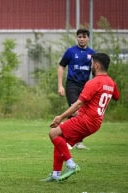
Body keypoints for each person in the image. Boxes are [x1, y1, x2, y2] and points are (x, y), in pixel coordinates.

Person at [43, 53, 120, 182]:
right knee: (60, 140)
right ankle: (56, 174)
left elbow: (79, 103)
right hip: (95, 123)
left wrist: (60, 117)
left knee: (53, 133)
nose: (91, 66)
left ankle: (71, 165)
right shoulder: (111, 82)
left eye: (91, 64)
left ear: (96, 65)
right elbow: (116, 97)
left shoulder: (94, 82)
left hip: (86, 120)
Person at [58, 28, 96, 150]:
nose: (82, 39)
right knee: (75, 111)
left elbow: (96, 70)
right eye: (79, 36)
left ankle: (76, 141)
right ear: (77, 38)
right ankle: (69, 140)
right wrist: (60, 85)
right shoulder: (70, 51)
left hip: (85, 86)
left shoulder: (92, 53)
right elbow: (61, 66)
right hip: (72, 85)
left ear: (88, 38)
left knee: (82, 114)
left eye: (84, 37)